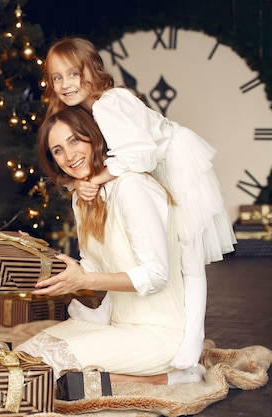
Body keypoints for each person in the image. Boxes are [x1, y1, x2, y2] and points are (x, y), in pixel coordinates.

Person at [41, 37, 236, 370]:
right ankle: (107, 310)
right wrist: (82, 183)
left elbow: (143, 155)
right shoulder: (82, 112)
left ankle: (192, 335)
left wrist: (95, 179)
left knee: (187, 254)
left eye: (73, 74)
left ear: (93, 69)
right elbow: (81, 156)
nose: (65, 84)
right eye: (57, 78)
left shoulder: (107, 103)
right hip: (148, 162)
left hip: (174, 162)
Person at [15, 106, 205, 385]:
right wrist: (40, 253)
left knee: (41, 371)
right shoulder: (81, 198)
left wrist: (85, 278)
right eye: (57, 150)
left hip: (160, 333)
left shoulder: (132, 187)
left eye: (74, 141)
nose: (69, 156)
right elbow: (92, 265)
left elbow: (156, 275)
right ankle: (115, 377)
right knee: (24, 356)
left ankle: (171, 377)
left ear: (94, 138)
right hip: (119, 325)